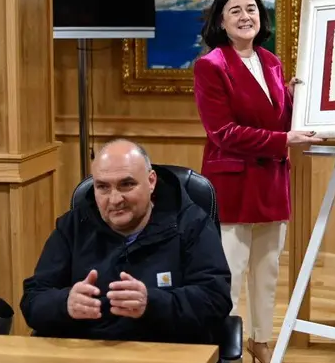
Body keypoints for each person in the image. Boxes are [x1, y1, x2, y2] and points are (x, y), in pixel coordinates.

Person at [193, 0, 321, 363]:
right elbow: (223, 132)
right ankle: (224, 352)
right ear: (220, 21)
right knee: (228, 274)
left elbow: (278, 117)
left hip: (270, 180)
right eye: (235, 11)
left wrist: (298, 97)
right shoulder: (211, 65)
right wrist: (283, 140)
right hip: (232, 184)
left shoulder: (271, 61)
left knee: (266, 272)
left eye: (252, 8)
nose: (246, 15)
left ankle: (260, 342)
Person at [20, 138, 232, 345]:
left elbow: (215, 300)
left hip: (166, 354)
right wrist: (65, 304)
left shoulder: (191, 223)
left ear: (151, 181)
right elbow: (33, 300)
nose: (114, 199)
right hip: (86, 357)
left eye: (127, 185)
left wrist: (152, 303)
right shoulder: (73, 226)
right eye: (103, 187)